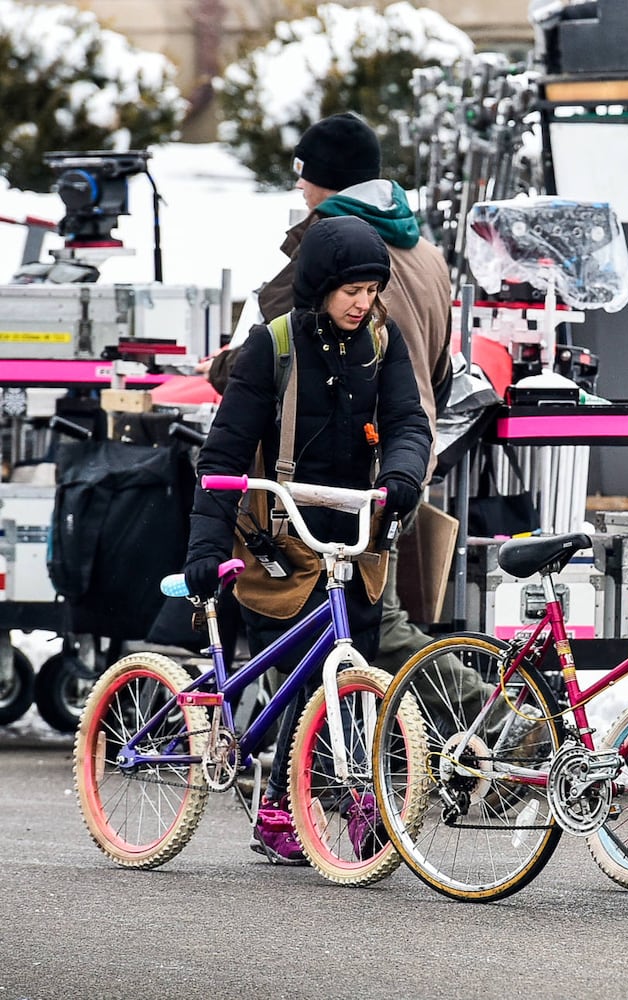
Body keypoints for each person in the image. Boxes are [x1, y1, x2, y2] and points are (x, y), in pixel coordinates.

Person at [182, 215, 432, 863]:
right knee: (298, 680)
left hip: (355, 537)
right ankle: (279, 808)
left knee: (356, 671)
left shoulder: (383, 339)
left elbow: (407, 419)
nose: (363, 302)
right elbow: (224, 455)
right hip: (281, 540)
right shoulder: (273, 345)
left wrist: (404, 472)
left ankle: (350, 801)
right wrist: (206, 548)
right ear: (320, 285)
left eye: (372, 288)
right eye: (350, 289)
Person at [208, 111, 453, 676]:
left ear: (328, 179)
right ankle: (328, 746)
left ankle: (483, 717)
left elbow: (274, 350)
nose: (298, 184)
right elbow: (440, 368)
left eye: (304, 174)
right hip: (401, 460)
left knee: (366, 625)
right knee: (348, 624)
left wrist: (223, 368)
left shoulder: (327, 250)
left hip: (340, 469)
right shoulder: (430, 255)